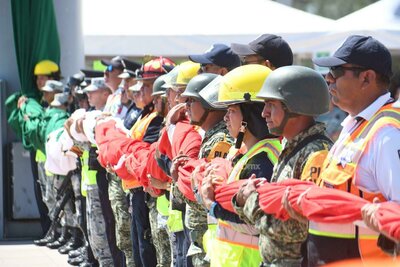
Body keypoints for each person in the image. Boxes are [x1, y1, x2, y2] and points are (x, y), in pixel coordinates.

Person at [308, 35, 400, 265]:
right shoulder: (358, 125)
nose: (328, 79)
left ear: (367, 78)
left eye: (336, 72)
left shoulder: (387, 134)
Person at [233, 65, 332, 267]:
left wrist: (251, 201)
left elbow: (299, 228)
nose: (263, 113)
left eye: (271, 104)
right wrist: (244, 200)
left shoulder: (316, 154)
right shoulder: (291, 147)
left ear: (295, 107)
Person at [198, 65, 281, 266]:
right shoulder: (245, 153)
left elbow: (257, 222)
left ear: (249, 117)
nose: (225, 117)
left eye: (232, 110)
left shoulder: (262, 160)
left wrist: (212, 206)